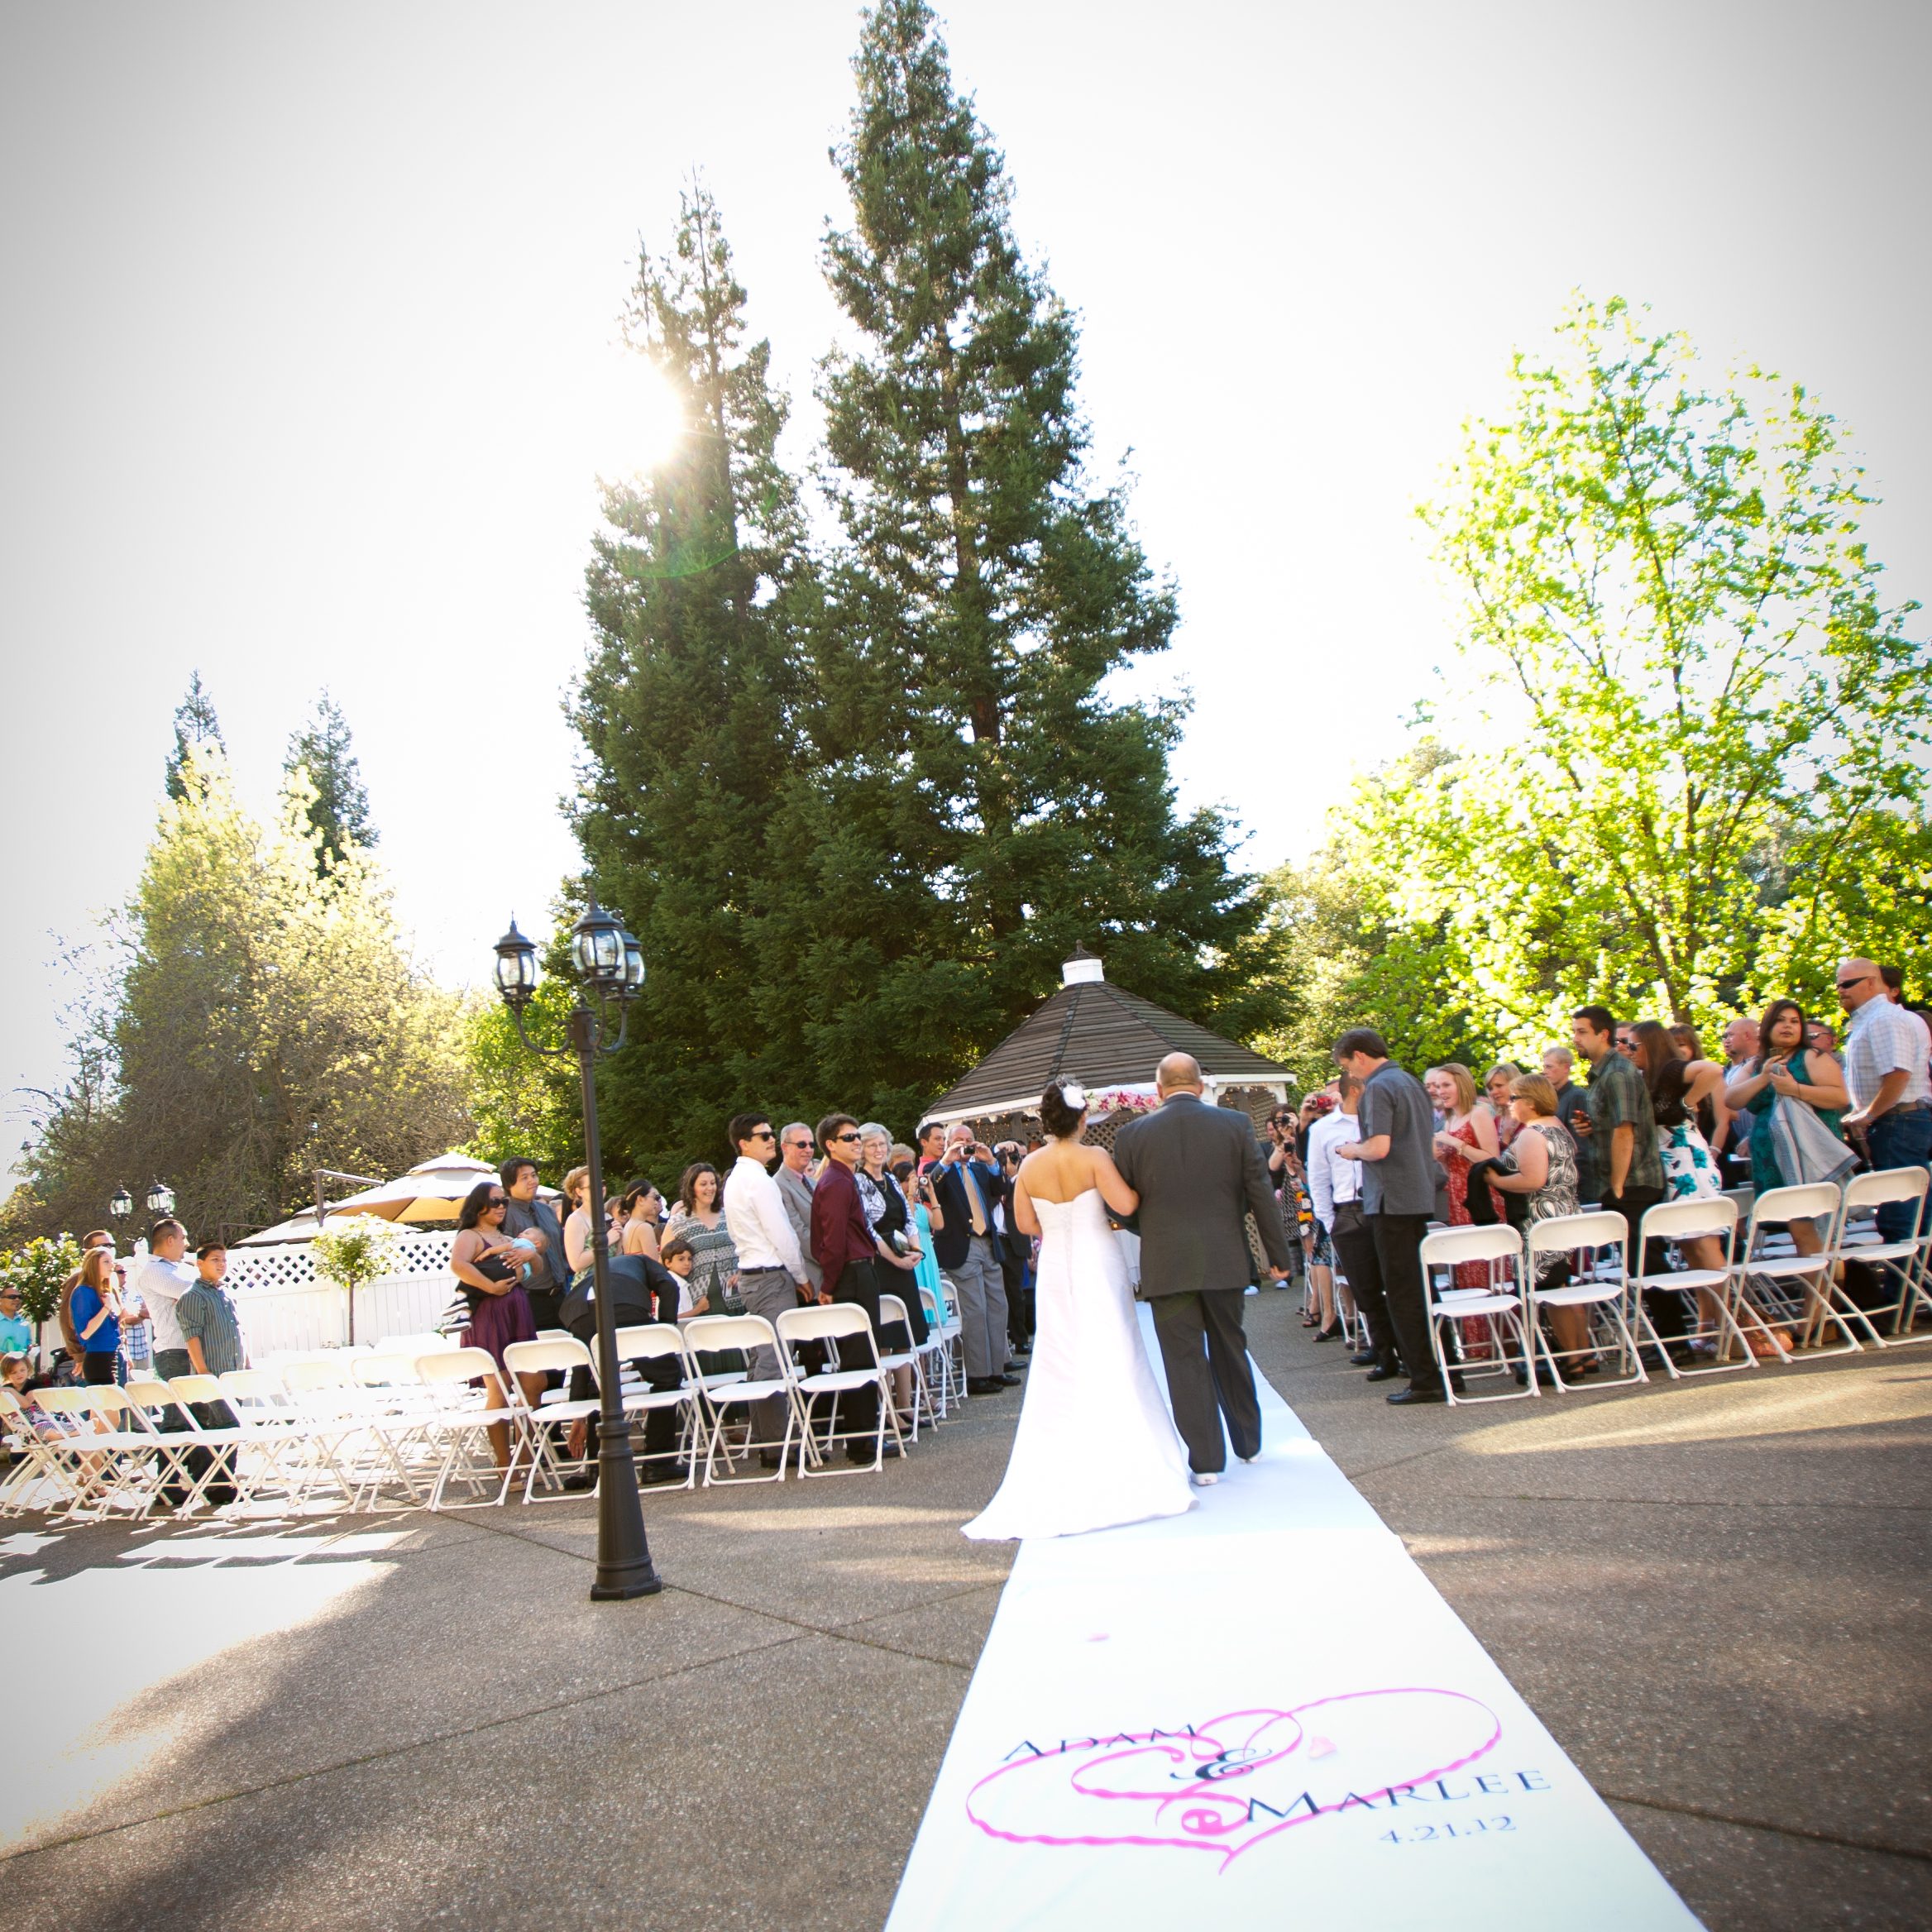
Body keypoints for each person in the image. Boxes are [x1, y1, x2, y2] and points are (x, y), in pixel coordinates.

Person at [963, 1078, 1194, 1539]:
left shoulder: (1029, 1164)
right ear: (1082, 1118)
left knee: (1061, 1354)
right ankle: (1130, 1451)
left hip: (1054, 1267)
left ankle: (1067, 1449)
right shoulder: (1095, 1158)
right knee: (1115, 1347)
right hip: (1097, 1259)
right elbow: (1126, 1203)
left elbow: (1024, 1224)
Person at [1112, 1053, 1294, 1473]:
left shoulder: (1132, 1136)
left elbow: (1121, 1207)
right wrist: (1278, 1257)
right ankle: (1249, 1444)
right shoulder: (1234, 1125)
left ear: (1158, 1091)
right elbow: (1261, 1192)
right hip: (1224, 1257)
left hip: (1166, 1265)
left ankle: (1207, 1461)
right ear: (1199, 1086)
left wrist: (1153, 1227)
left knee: (1183, 1360)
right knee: (1231, 1348)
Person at [1333, 1029, 1451, 1404]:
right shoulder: (1411, 1082)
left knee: (1402, 1293)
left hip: (1391, 1200)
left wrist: (1353, 1149)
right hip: (1417, 1194)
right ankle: (1448, 1371)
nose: (1350, 1074)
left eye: (1347, 1065)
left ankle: (1424, 1378)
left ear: (1360, 1056)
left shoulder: (1380, 1088)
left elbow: (1379, 1147)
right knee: (1425, 1289)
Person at [1571, 1006, 1681, 1348]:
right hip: (1617, 1179)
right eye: (1574, 1032)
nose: (1576, 1038)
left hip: (1633, 1180)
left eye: (1582, 1032)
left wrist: (1617, 1185)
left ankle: (1676, 1341)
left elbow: (1625, 1131)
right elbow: (1611, 1125)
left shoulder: (1619, 1072)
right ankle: (1671, 1339)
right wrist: (1590, 1128)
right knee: (1639, 1262)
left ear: (1604, 1034)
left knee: (1645, 1261)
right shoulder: (1601, 1073)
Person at [722, 1112, 815, 1469]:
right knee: (775, 1360)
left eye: (772, 1134)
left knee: (763, 1358)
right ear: (744, 1142)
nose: (771, 1140)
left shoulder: (737, 1179)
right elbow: (781, 1234)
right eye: (764, 1136)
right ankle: (779, 1445)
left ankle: (766, 1439)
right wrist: (801, 1275)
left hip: (753, 1274)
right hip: (770, 1275)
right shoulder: (758, 1181)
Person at [1724, 1001, 1848, 1257]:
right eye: (1781, 1020)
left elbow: (1839, 1098)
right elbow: (1732, 1100)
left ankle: (1825, 1295)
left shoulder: (1812, 1057)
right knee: (1799, 1232)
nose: (1788, 1026)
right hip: (1773, 1161)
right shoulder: (1758, 1064)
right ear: (1768, 1026)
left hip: (1810, 1155)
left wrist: (1796, 1090)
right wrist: (1763, 1077)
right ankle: (1819, 1295)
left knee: (1820, 1233)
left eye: (1794, 1021)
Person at [1485, 1074, 1588, 1369]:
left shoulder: (1533, 1133)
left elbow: (1533, 1179)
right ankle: (1582, 1354)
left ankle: (1572, 1358)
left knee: (1550, 1293)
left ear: (1530, 1102)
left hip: (1542, 1220)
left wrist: (1495, 1179)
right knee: (1562, 1288)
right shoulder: (1559, 1128)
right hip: (1564, 1214)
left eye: (1514, 1098)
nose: (1509, 1103)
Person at [808, 1114, 889, 1462]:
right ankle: (861, 1441)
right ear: (831, 1145)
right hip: (850, 1275)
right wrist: (828, 1285)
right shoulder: (837, 1183)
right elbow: (833, 1240)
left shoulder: (842, 1179)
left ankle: (863, 1436)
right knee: (859, 1358)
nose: (857, 1141)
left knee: (862, 1355)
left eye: (858, 1136)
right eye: (849, 1137)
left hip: (855, 1272)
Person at [449, 1180, 543, 1469]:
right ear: (479, 1205)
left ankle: (525, 1458)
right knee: (499, 1390)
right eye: (495, 1201)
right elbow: (458, 1265)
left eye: (503, 1201)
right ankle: (505, 1464)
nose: (501, 1207)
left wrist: (531, 1254)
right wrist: (490, 1287)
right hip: (490, 1312)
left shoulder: (506, 1236)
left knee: (533, 1383)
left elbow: (536, 1269)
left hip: (517, 1308)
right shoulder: (471, 1234)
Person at [1839, 956, 1932, 1240]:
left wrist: (1868, 1115)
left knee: (1899, 1220)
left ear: (1871, 983)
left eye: (1847, 984)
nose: (1841, 991)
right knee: (1914, 1218)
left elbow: (1897, 1074)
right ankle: (1918, 1283)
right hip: (1901, 1122)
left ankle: (1903, 1285)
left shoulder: (1883, 1018)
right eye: (1838, 985)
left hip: (1898, 1122)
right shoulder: (1878, 1018)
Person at [925, 1126, 1015, 1395]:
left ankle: (998, 1367)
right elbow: (928, 1188)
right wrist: (947, 1160)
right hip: (961, 1246)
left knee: (998, 1305)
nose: (965, 1146)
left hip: (988, 1243)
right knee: (975, 1310)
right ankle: (978, 1375)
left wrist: (990, 1161)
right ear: (949, 1144)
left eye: (968, 1141)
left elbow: (1003, 1189)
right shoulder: (938, 1169)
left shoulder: (979, 1169)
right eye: (958, 1141)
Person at [1306, 1075, 1369, 1351]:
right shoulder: (1322, 1128)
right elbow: (1318, 1178)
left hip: (1382, 1207)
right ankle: (1374, 1343)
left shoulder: (1378, 1120)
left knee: (1388, 1283)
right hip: (1346, 1210)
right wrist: (1331, 1222)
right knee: (1360, 1283)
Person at [1426, 1063, 1499, 1284]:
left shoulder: (1478, 1113)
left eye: (1446, 1085)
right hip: (1457, 1197)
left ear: (1462, 1084)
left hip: (1482, 1195)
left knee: (1486, 1261)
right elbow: (1451, 1170)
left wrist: (1457, 1144)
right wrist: (1441, 1158)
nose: (1440, 1091)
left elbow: (1491, 1158)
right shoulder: (1449, 1120)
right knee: (1466, 1262)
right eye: (1438, 1086)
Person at [500, 1157, 568, 1334]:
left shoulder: (546, 1210)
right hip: (528, 1298)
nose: (532, 1181)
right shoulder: (504, 1213)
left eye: (534, 1175)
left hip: (561, 1294)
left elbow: (561, 1248)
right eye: (524, 1177)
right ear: (509, 1184)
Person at [664, 1165, 740, 1320]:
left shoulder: (730, 1215)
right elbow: (664, 1265)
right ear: (692, 1188)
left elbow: (748, 1250)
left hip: (735, 1297)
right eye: (703, 1184)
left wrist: (741, 1273)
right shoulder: (677, 1222)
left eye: (713, 1183)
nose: (710, 1188)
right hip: (698, 1303)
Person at [1542, 1047, 1599, 1204]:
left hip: (1579, 1182)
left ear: (1566, 1067)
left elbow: (1582, 1145)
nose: (1545, 1071)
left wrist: (1572, 1180)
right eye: (1544, 1067)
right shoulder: (1554, 1099)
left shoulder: (1577, 1096)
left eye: (1549, 1066)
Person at [773, 1125, 823, 1299]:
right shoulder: (778, 1185)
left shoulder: (813, 1183)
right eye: (802, 1144)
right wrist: (832, 1259)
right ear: (785, 1147)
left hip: (826, 1276)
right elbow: (797, 1233)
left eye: (811, 1145)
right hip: (809, 1281)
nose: (808, 1150)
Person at [68, 1248, 122, 1385]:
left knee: (105, 1406)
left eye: (112, 1262)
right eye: (106, 1262)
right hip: (98, 1358)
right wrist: (106, 1308)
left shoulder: (104, 1292)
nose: (112, 1266)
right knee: (109, 1405)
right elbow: (85, 1334)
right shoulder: (83, 1292)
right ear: (93, 1264)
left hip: (111, 1356)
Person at [617, 1181, 664, 1261]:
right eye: (654, 1197)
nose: (656, 1202)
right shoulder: (644, 1227)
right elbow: (654, 1265)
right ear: (640, 1199)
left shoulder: (628, 1225)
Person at [1485, 1064, 1526, 1150]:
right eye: (1490, 1088)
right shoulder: (1497, 1120)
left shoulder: (1529, 1116)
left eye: (1499, 1086)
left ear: (1515, 1083)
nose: (1494, 1092)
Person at [0, 1283, 31, 1358]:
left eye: (19, 1297)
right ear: (0, 1300)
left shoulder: (24, 1323)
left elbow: (27, 1345)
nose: (17, 1299)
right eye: (12, 1297)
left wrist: (30, 1348)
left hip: (17, 1368)